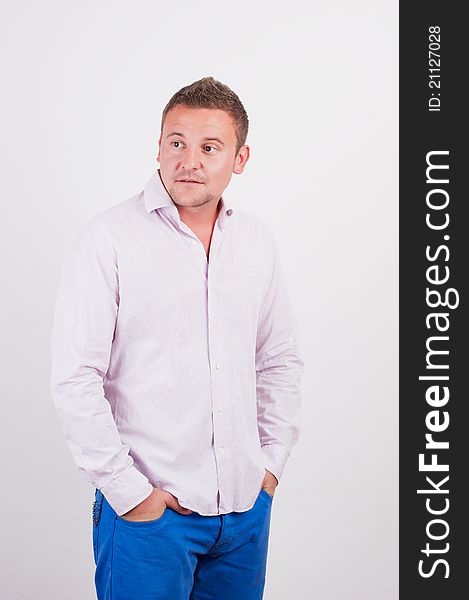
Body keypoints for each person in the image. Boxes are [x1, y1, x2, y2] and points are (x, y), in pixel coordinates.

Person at [50, 76, 304, 600]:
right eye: (176, 142)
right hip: (149, 517)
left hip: (243, 514)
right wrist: (130, 494)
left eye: (210, 147)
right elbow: (76, 379)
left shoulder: (256, 241)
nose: (189, 161)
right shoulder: (109, 239)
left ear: (240, 158)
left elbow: (278, 358)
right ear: (159, 146)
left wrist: (269, 467)